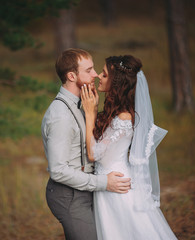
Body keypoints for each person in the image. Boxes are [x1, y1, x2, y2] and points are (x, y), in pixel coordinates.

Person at [81, 55, 177, 239]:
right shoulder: (119, 113)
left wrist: (89, 114)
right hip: (110, 184)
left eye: (104, 74)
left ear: (117, 83)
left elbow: (93, 154)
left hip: (117, 188)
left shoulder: (123, 118)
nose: (98, 77)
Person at [41, 49, 131, 240]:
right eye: (89, 70)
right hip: (70, 195)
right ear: (72, 76)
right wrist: (103, 182)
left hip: (85, 189)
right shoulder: (61, 116)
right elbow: (58, 170)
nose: (96, 74)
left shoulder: (81, 104)